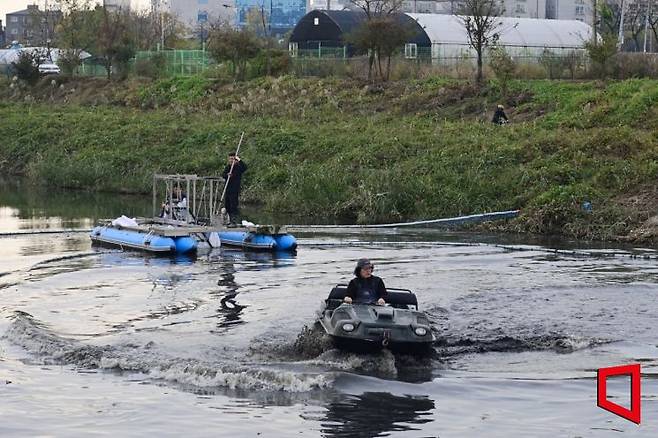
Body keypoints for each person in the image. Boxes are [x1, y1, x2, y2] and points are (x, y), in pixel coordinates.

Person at [222, 152, 247, 226]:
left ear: (235, 160)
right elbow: (223, 175)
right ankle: (229, 220)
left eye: (233, 159)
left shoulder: (239, 167)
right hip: (228, 189)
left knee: (233, 205)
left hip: (234, 189)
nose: (231, 161)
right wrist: (227, 175)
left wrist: (239, 160)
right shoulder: (228, 167)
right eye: (230, 159)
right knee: (227, 205)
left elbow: (245, 167)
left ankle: (234, 221)